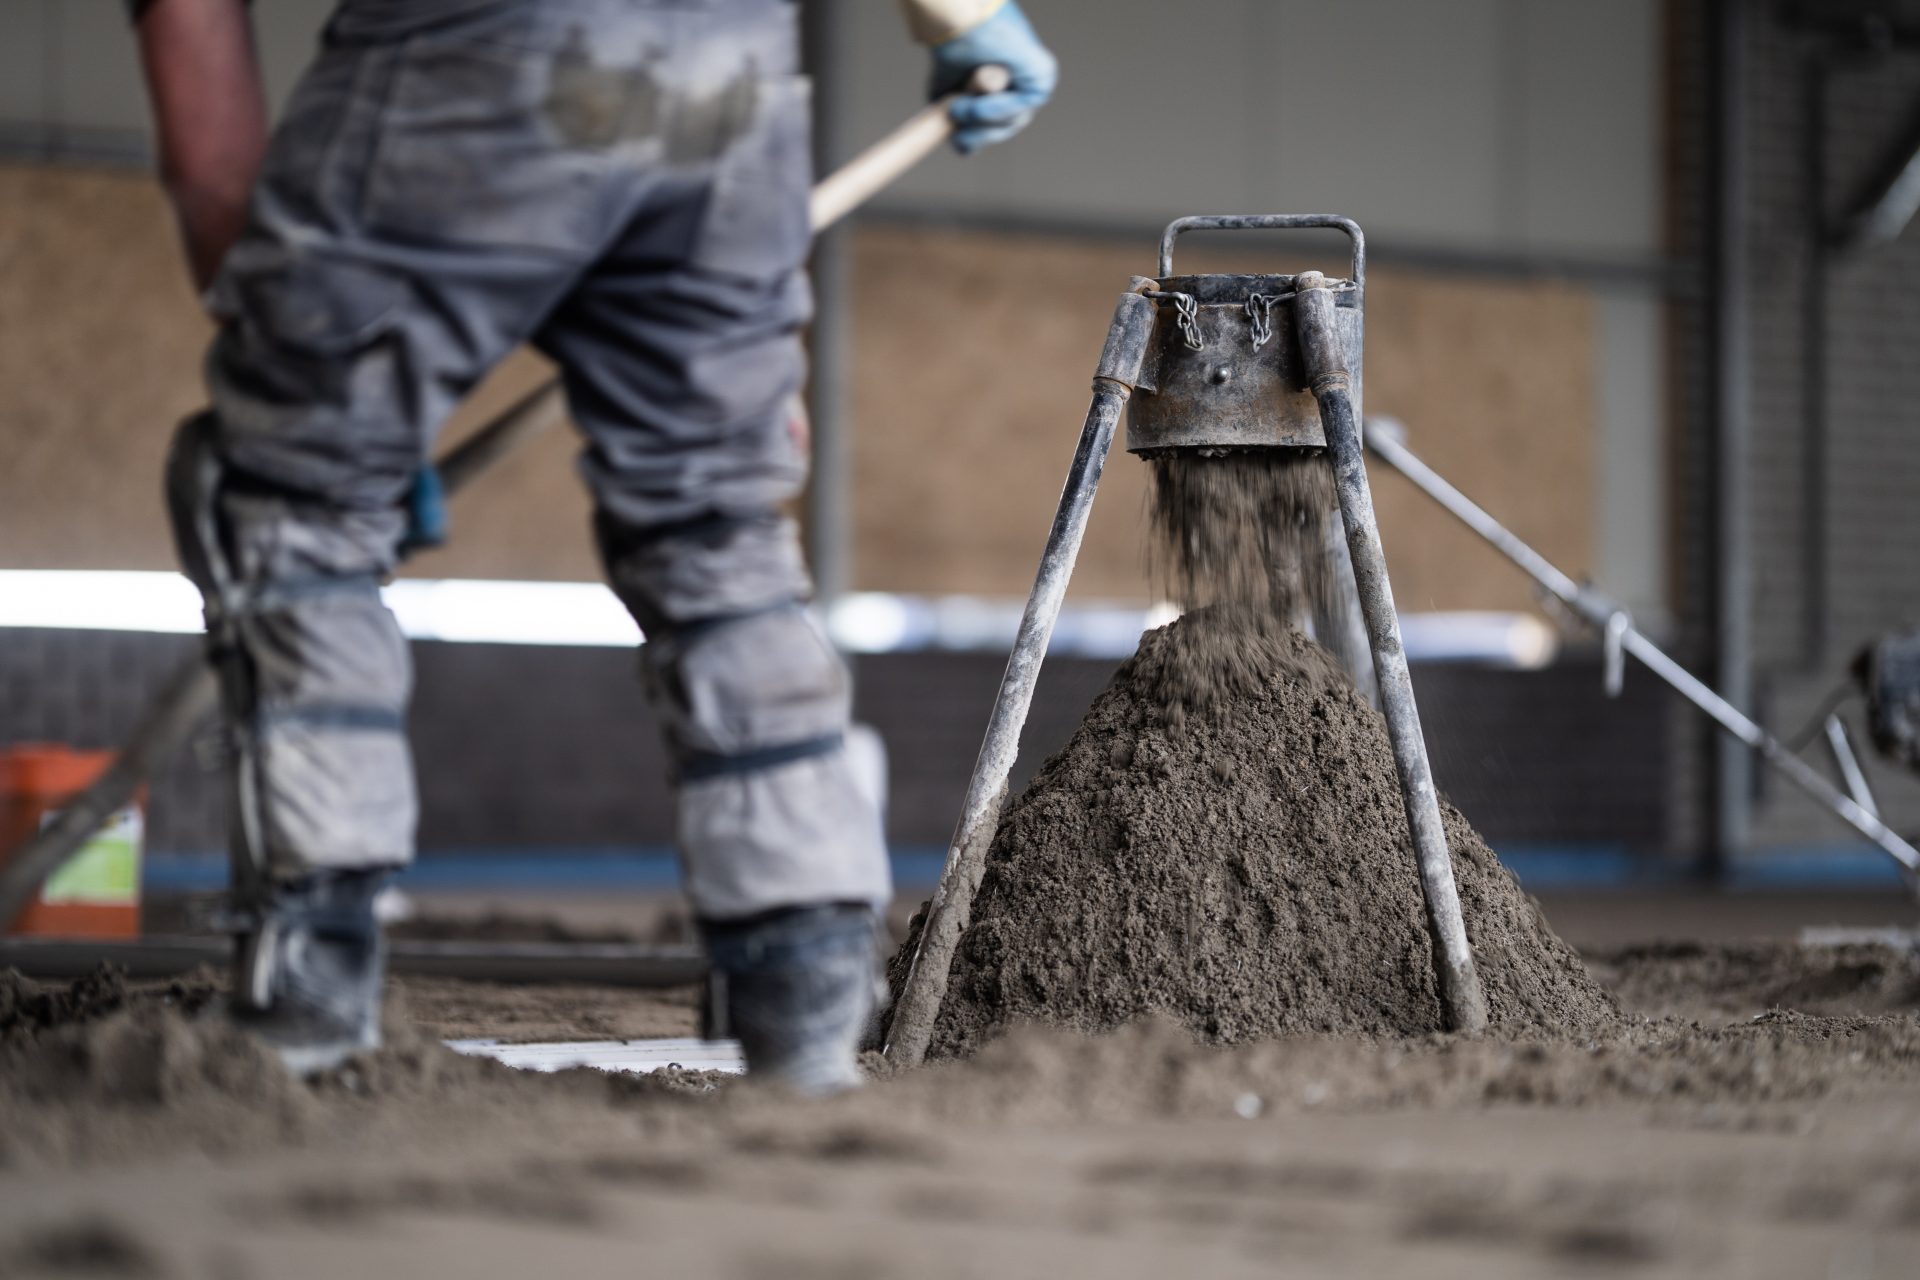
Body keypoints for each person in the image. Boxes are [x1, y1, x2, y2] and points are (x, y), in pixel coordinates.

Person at [130, 0, 1057, 1092]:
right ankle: (805, 988)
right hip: (725, 70)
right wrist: (970, 11)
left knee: (286, 503)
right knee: (718, 527)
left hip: (470, 45)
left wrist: (320, 410)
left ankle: (314, 986)